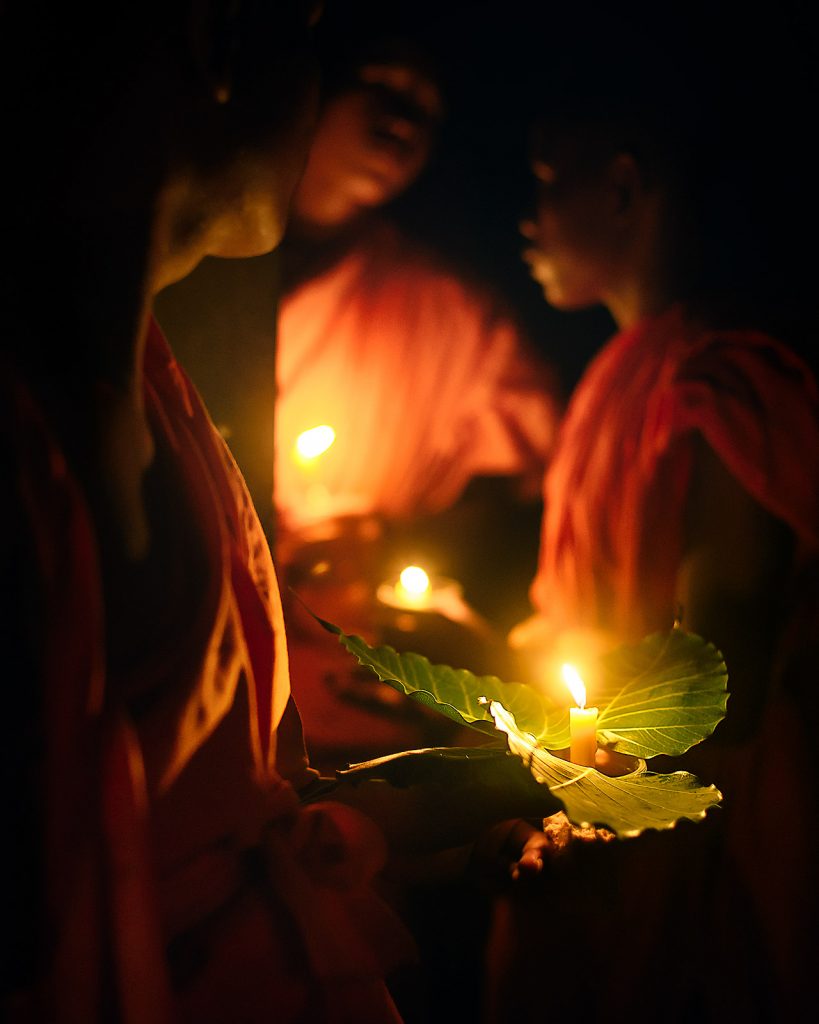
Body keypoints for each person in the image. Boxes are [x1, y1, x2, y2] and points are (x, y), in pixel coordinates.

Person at [2, 3, 563, 1021]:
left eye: (427, 114)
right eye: (343, 69)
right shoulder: (42, 412)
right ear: (218, 46)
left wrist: (408, 801)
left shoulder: (160, 377)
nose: (395, 124)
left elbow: (196, 794)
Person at [493, 11, 819, 1021]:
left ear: (627, 186)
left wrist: (602, 812)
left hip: (697, 863)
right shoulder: (611, 380)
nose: (525, 216)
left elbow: (721, 684)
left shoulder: (724, 378)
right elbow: (589, 628)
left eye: (552, 181)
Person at [273, 39, 560, 765]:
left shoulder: (449, 309)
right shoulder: (193, 272)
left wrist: (388, 545)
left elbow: (524, 503)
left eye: (427, 112)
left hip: (361, 704)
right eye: (381, 86)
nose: (403, 121)